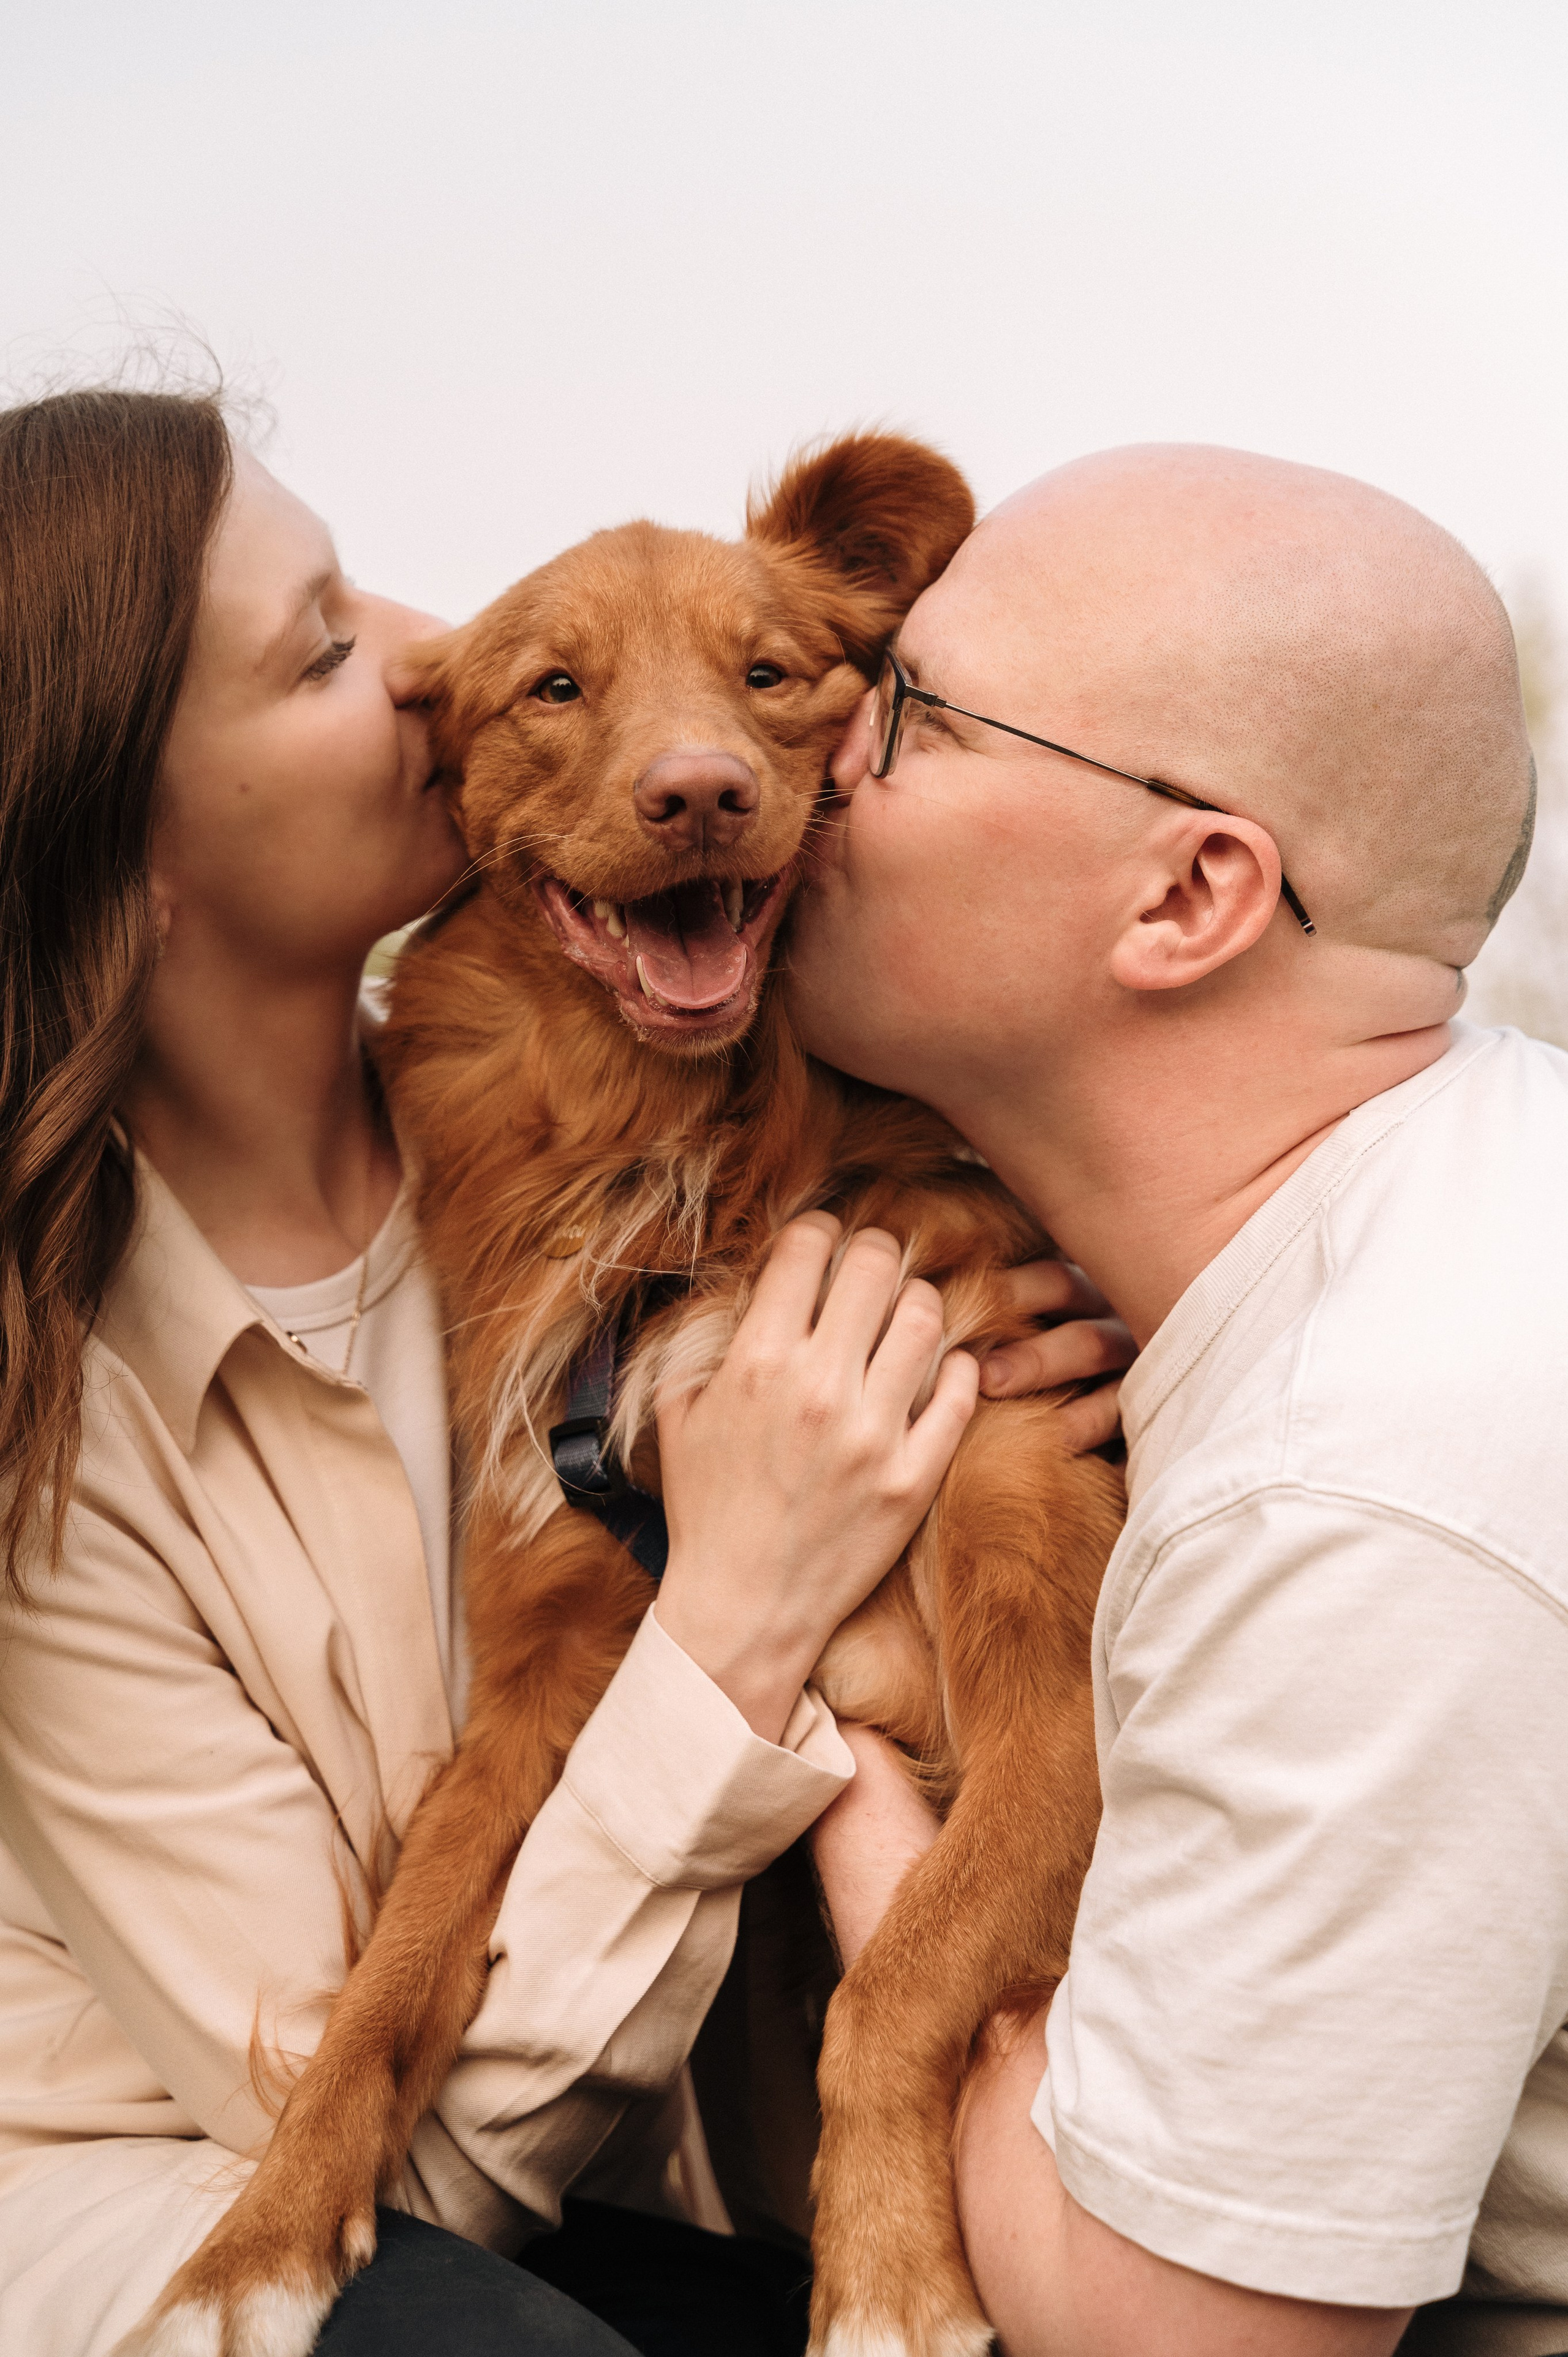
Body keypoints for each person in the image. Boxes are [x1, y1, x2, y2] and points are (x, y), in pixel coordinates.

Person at [0, 386, 1128, 2357]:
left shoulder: (583, 1165)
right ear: (137, 844)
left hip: (636, 2163)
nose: (427, 653)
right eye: (330, 647)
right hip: (239, 2232)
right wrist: (749, 1602)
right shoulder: (47, 1428)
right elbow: (411, 2182)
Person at [787, 443, 1568, 2357]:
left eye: (907, 707)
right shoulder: (1468, 1192)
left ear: (1191, 892)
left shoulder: (1369, 1469)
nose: (810, 751)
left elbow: (1172, 2340)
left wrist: (829, 1749)